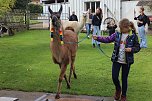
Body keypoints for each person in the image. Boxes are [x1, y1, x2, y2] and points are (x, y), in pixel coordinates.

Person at [93, 18, 140, 101]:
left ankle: (124, 95)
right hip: (116, 60)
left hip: (127, 62)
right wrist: (98, 38)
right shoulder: (117, 34)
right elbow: (107, 39)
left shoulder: (133, 36)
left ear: (127, 28)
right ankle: (118, 89)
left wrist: (131, 49)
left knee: (124, 79)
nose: (120, 29)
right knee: (114, 77)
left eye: (121, 28)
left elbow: (138, 47)